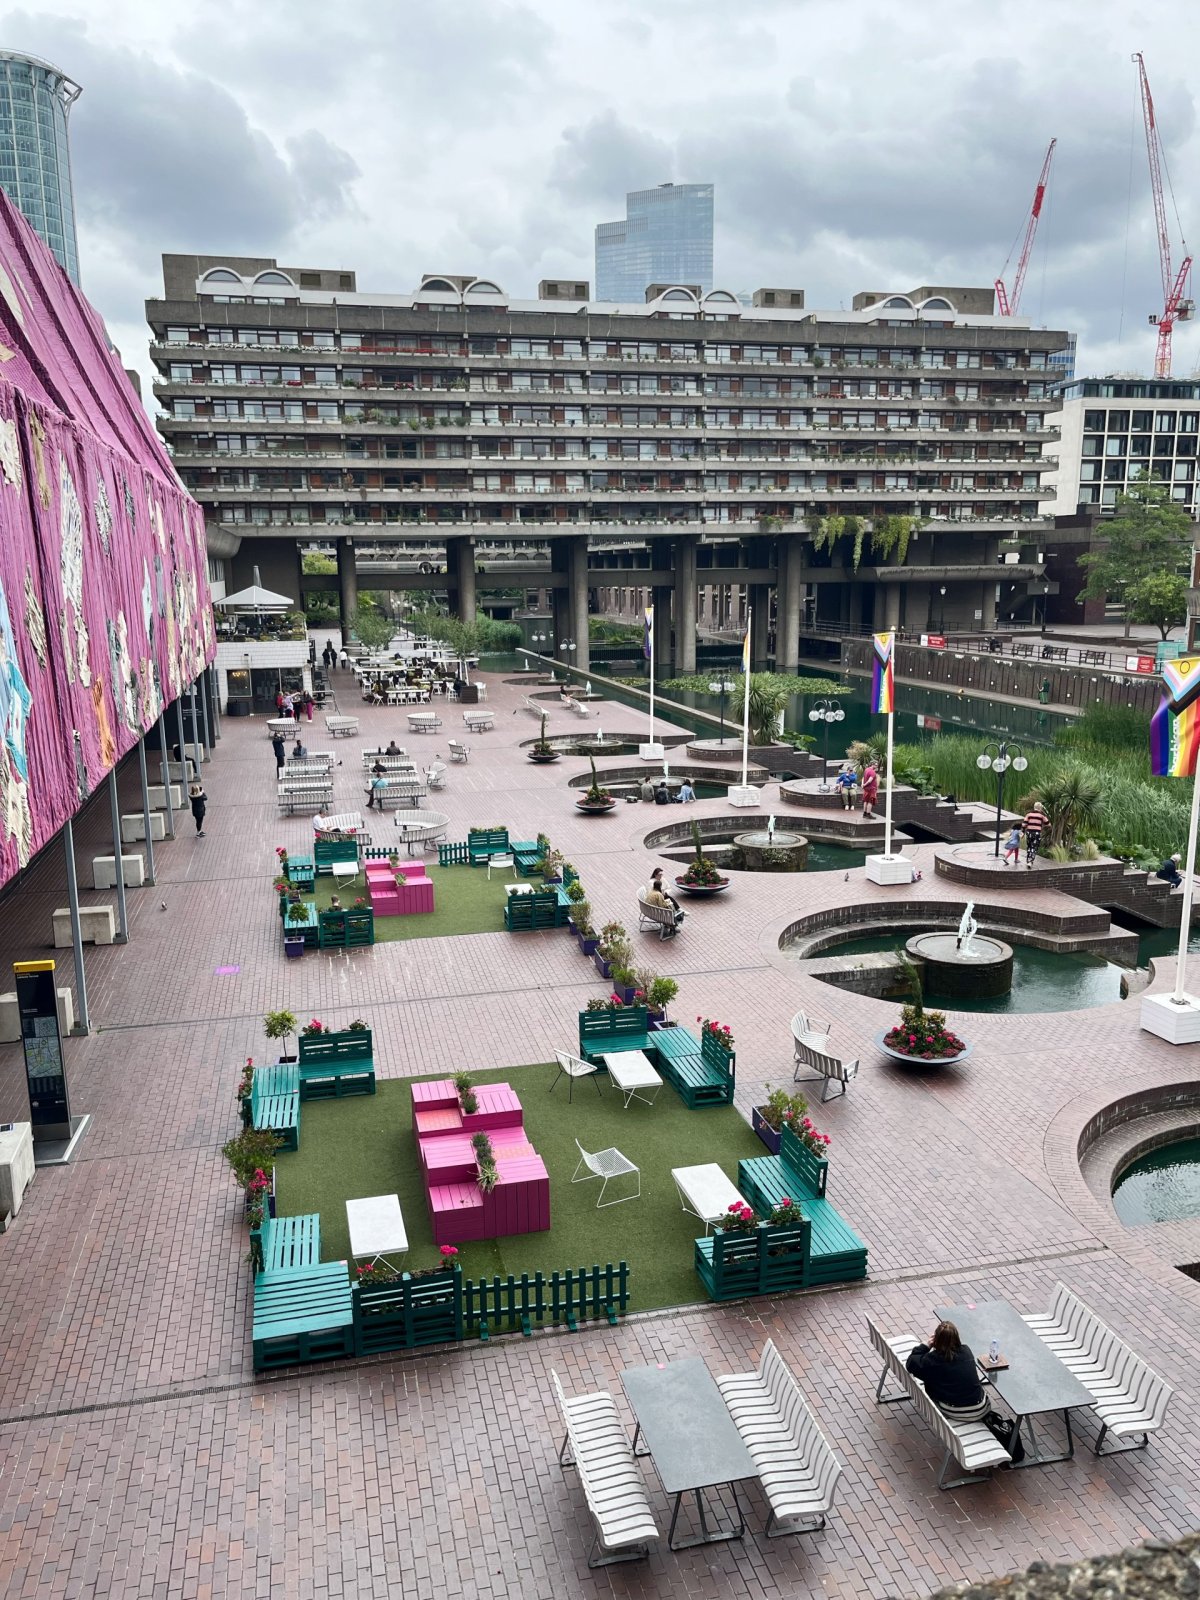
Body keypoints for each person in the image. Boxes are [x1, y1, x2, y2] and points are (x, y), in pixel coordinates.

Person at [905, 1321, 989, 1422]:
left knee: (931, 1382)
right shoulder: (966, 1351)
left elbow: (911, 1363)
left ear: (936, 1340)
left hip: (958, 1412)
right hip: (982, 1407)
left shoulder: (933, 1360)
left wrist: (926, 1346)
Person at [1023, 802, 1047, 868]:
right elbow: (1047, 823)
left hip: (1029, 833)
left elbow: (1024, 824)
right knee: (1034, 847)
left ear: (1034, 807)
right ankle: (1030, 861)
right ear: (1040, 808)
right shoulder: (1041, 815)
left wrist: (1023, 832)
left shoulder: (1028, 814)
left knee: (1029, 846)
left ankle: (1028, 860)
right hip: (1037, 833)